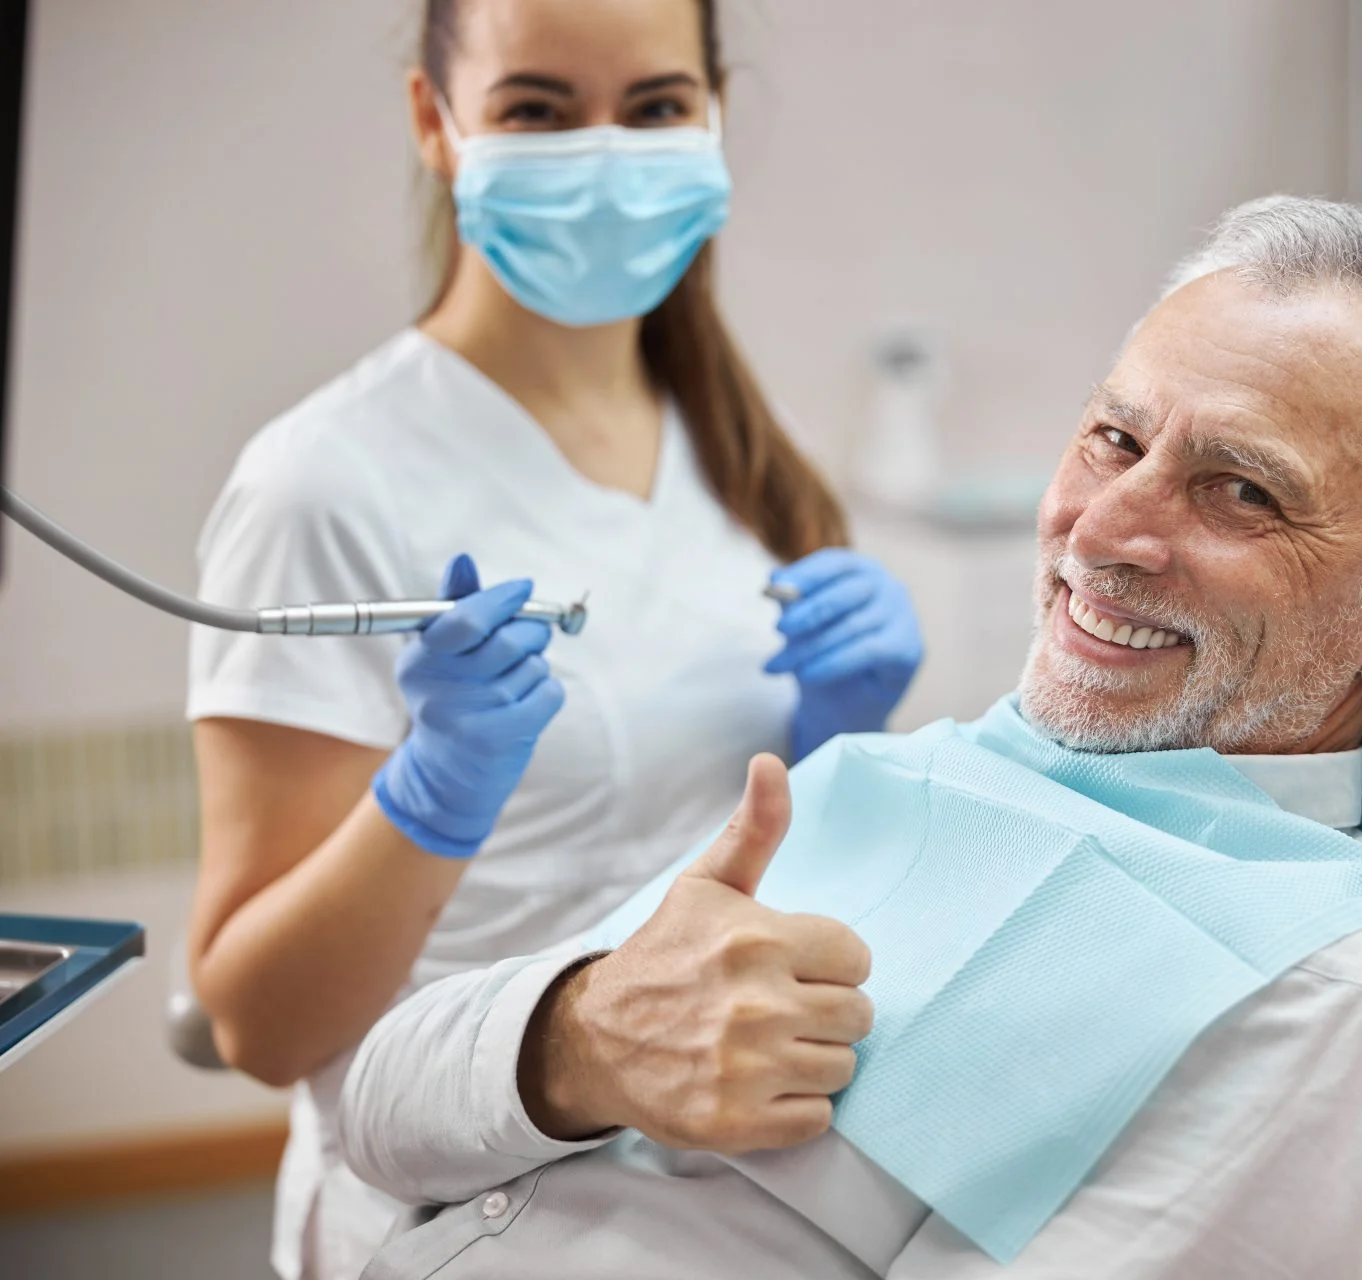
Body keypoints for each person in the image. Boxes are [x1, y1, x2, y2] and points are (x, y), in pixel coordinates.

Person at [336, 196, 1362, 1279]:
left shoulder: (1301, 1007)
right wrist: (583, 1038)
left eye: (1242, 491)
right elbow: (379, 1114)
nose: (1102, 529)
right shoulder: (883, 776)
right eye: (1115, 440)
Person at [183, 2, 924, 1278]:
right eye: (536, 108)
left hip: (719, 1142)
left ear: (714, 114)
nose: (603, 154)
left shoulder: (745, 457)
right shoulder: (318, 484)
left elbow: (765, 853)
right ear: (436, 121)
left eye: (653, 109)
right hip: (456, 1174)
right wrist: (430, 796)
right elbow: (255, 1018)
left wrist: (841, 744)